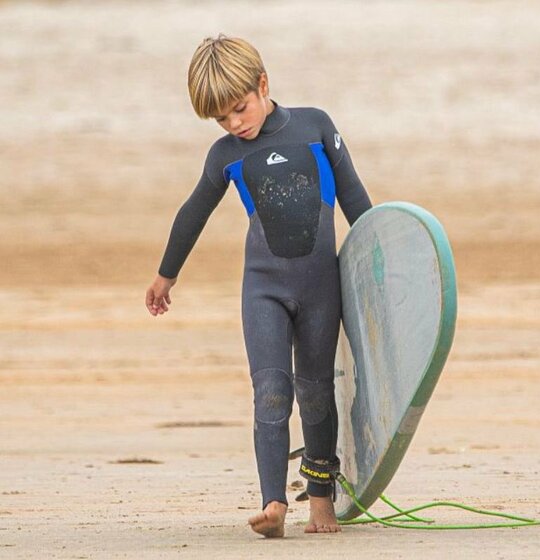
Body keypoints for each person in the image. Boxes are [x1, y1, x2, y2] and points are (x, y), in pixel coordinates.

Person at [145, 34, 372, 538]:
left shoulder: (315, 125)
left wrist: (385, 264)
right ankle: (272, 504)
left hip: (321, 289)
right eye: (221, 119)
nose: (234, 124)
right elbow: (193, 213)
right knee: (270, 391)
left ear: (262, 83)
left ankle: (321, 503)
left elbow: (356, 199)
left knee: (316, 394)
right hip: (263, 289)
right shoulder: (225, 154)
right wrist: (166, 274)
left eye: (239, 109)